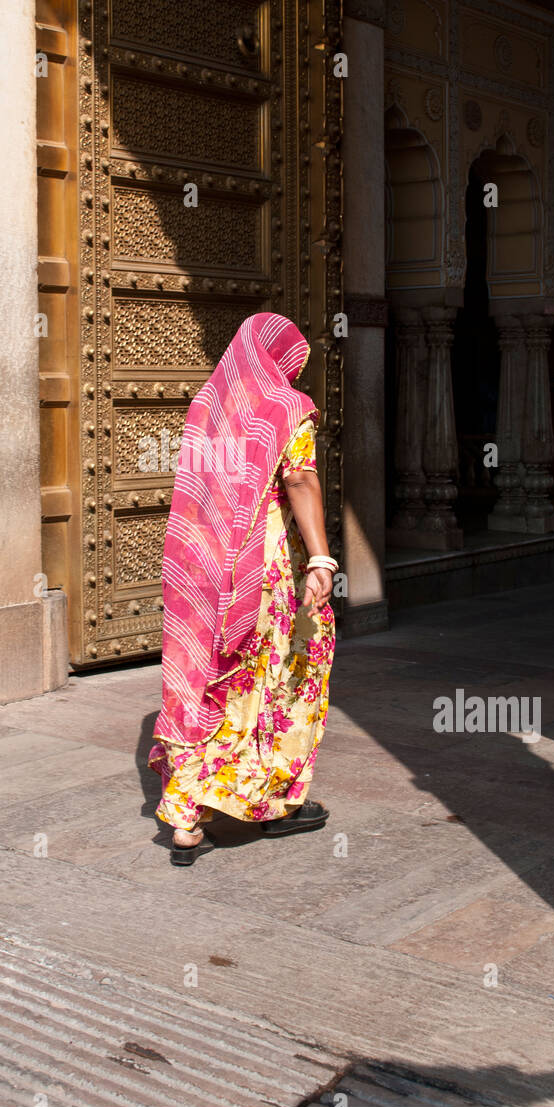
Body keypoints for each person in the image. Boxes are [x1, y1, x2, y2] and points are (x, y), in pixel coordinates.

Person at [149, 312, 337, 866]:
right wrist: (321, 559)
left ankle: (185, 820)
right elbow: (299, 479)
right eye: (291, 362)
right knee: (285, 671)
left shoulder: (207, 405)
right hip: (264, 569)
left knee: (202, 680)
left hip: (201, 567)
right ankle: (273, 797)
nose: (291, 373)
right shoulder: (286, 407)